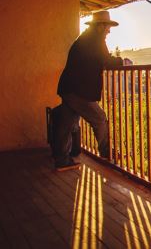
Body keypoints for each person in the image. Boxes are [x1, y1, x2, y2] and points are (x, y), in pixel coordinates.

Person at [53, 11, 129, 171]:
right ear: (101, 26)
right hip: (77, 91)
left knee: (67, 124)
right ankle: (106, 152)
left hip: (68, 87)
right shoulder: (95, 40)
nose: (109, 30)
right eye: (108, 26)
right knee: (100, 118)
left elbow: (98, 60)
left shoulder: (85, 39)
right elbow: (106, 60)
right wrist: (123, 61)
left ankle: (61, 160)